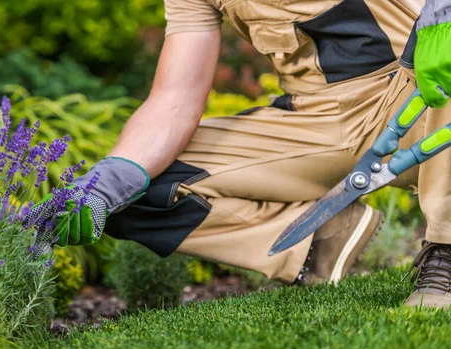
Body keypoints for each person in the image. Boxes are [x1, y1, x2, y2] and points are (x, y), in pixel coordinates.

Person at [29, 0, 451, 308]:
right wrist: (107, 184)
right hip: (315, 120)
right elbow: (174, 100)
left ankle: (445, 258)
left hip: (417, 87)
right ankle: (315, 241)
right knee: (139, 189)